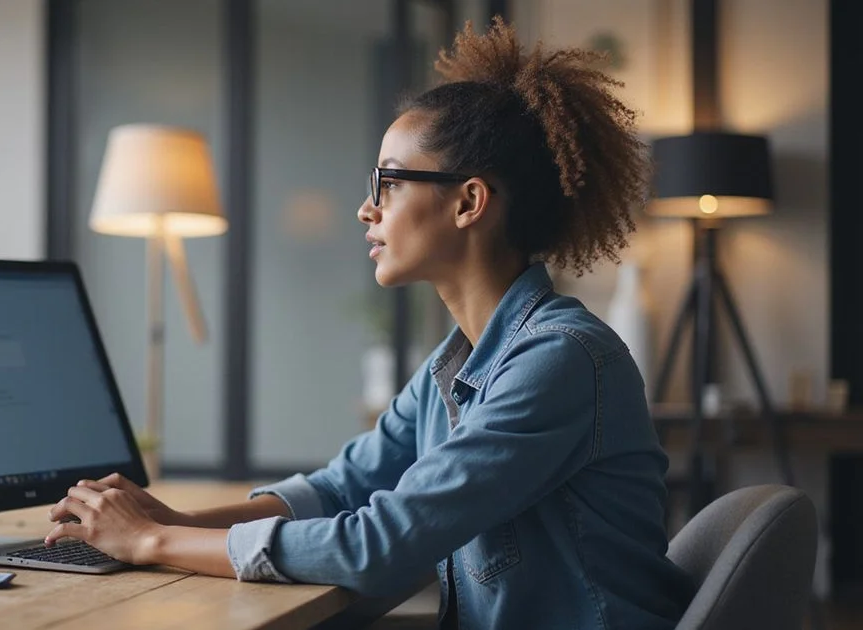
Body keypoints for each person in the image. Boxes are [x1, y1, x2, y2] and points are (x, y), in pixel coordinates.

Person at [44, 17, 695, 629]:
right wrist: (174, 518)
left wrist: (155, 540)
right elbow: (343, 487)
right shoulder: (460, 363)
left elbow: (378, 546)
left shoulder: (561, 360)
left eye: (386, 182)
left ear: (469, 201)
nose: (365, 209)